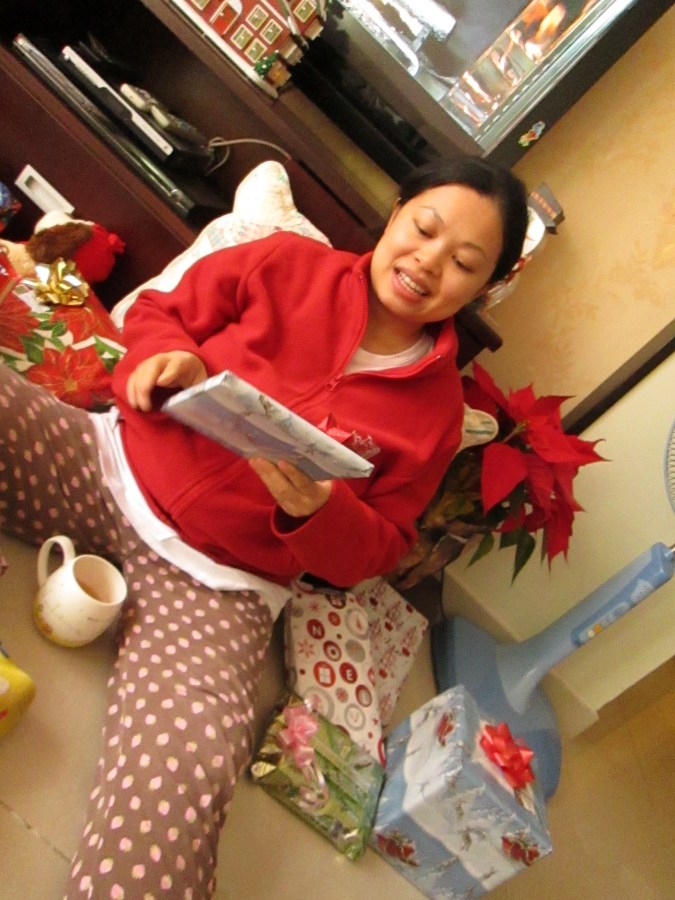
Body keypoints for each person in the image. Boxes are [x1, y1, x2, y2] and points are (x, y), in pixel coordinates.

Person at [0, 154, 528, 898]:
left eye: (463, 262)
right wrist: (166, 356)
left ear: (484, 288)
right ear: (396, 212)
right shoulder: (287, 262)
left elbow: (379, 548)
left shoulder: (437, 413)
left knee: (185, 776)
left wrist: (321, 512)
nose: (427, 262)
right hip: (108, 462)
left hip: (221, 585)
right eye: (424, 227)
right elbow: (161, 314)